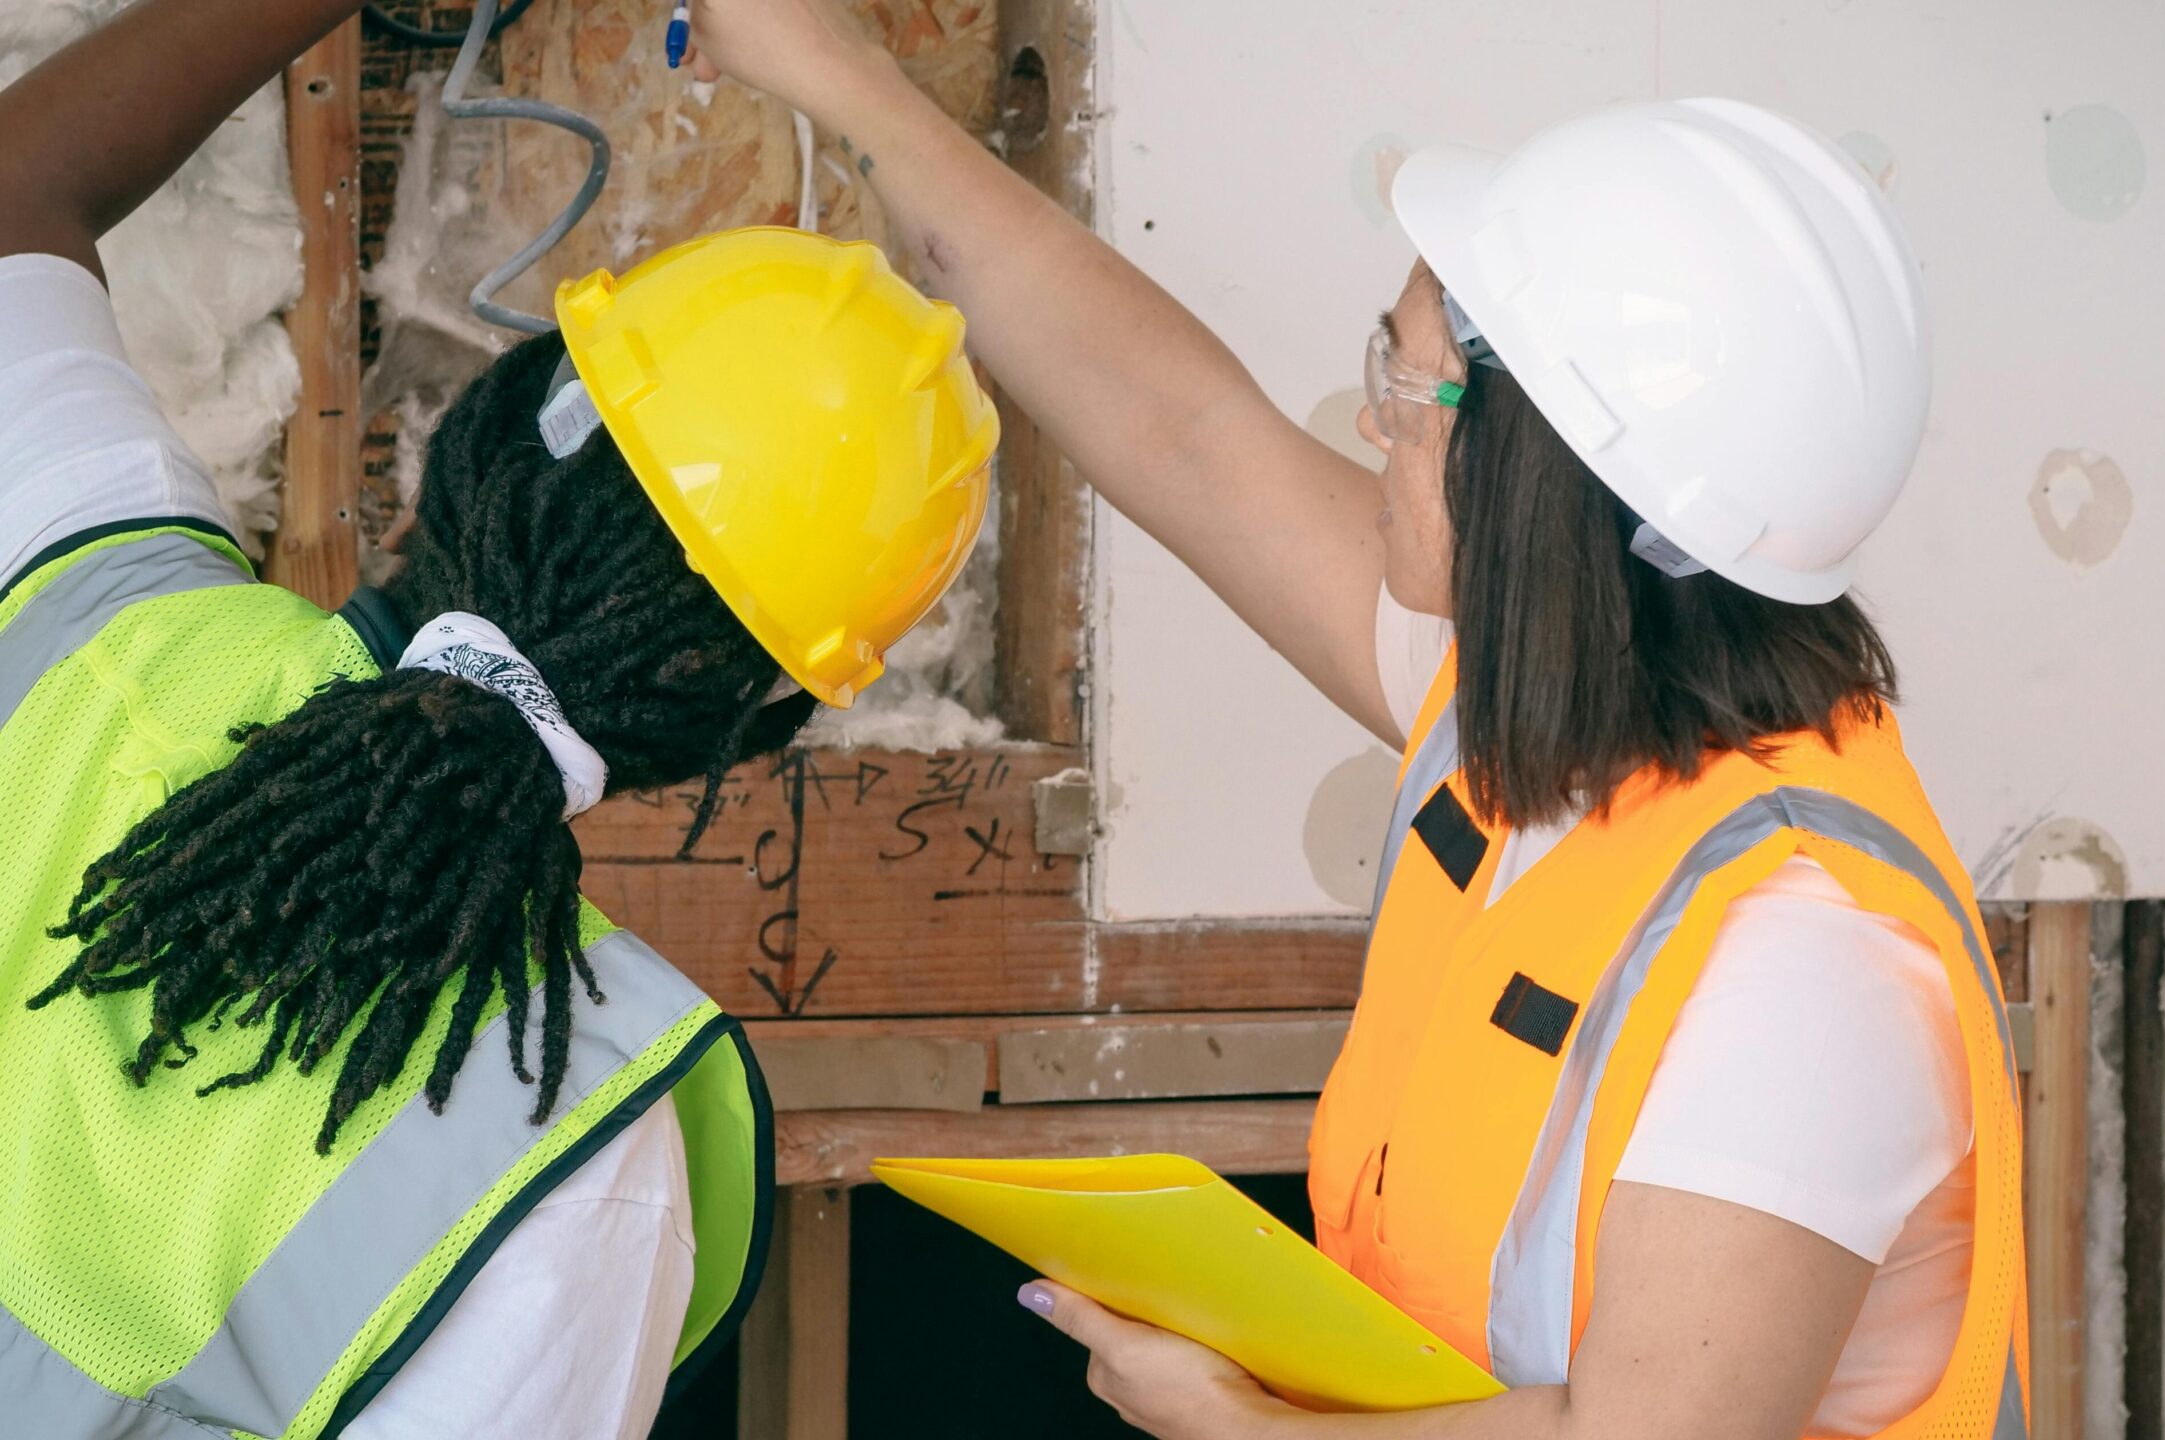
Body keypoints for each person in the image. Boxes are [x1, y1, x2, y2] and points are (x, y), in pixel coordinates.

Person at [683, 4, 2028, 1438]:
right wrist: (843, 79)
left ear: (1537, 478)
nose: (1376, 422)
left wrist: (1246, 1432)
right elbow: (1183, 428)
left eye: (1405, 378)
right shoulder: (1532, 729)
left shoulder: (1806, 964)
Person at [0, 3, 995, 1436]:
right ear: (760, 709)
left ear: (478, 430)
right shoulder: (572, 1146)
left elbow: (20, 190)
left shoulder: (104, 608)